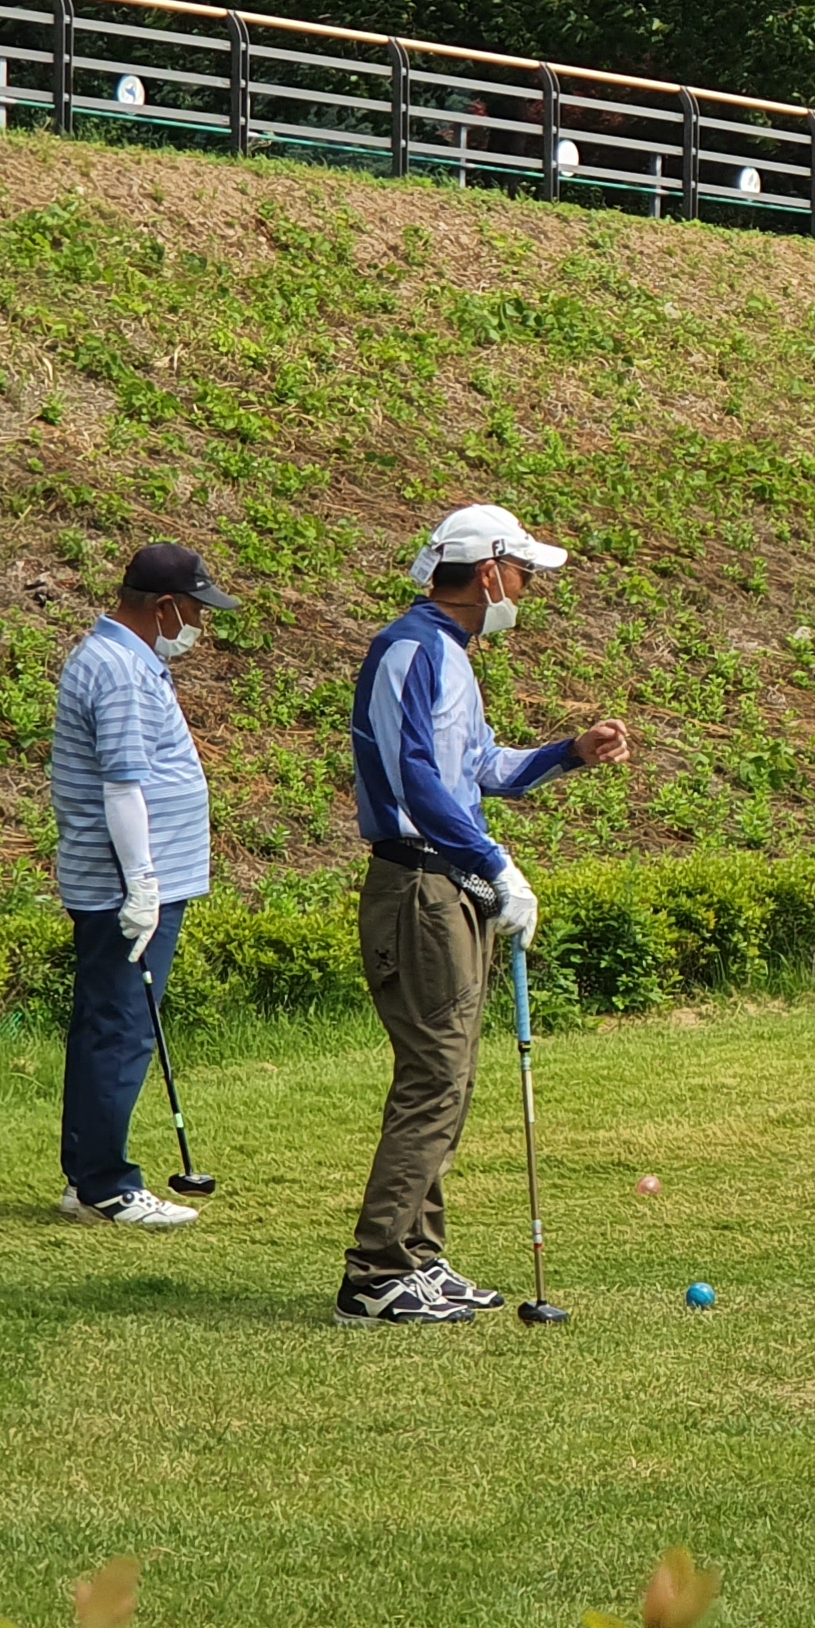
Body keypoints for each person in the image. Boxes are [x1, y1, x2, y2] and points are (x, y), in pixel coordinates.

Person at [337, 502, 629, 1325]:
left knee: (449, 1079)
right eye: (524, 572)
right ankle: (375, 1275)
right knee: (434, 1078)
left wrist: (567, 754)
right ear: (488, 569)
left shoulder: (451, 656)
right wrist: (495, 862)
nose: (529, 588)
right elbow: (415, 781)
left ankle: (418, 1260)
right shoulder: (409, 650)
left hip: (448, 884)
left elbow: (481, 770)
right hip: (422, 886)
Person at [48, 541, 235, 1228]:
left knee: (114, 1022)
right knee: (120, 1027)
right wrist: (143, 885)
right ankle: (105, 1185)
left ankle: (87, 1175)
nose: (198, 623)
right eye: (194, 609)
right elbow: (122, 787)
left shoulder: (128, 660)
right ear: (163, 606)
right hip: (125, 885)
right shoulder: (120, 672)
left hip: (135, 880)